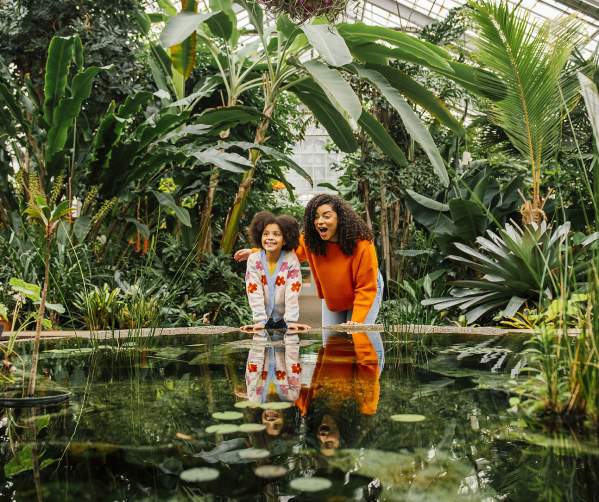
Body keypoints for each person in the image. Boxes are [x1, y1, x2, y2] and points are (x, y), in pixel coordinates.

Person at [235, 194, 383, 326]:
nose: (320, 221)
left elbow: (366, 287)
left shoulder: (362, 243)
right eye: (316, 217)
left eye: (326, 216)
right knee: (331, 345)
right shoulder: (310, 241)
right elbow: (288, 252)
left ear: (340, 218)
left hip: (365, 292)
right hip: (334, 299)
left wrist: (356, 322)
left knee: (358, 338)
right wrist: (257, 253)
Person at [241, 211, 311, 332]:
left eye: (276, 234)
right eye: (266, 234)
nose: (270, 238)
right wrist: (259, 321)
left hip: (284, 321)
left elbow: (292, 292)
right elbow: (253, 291)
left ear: (285, 240)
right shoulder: (254, 260)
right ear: (260, 237)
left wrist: (291, 321)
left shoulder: (291, 259)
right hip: (262, 321)